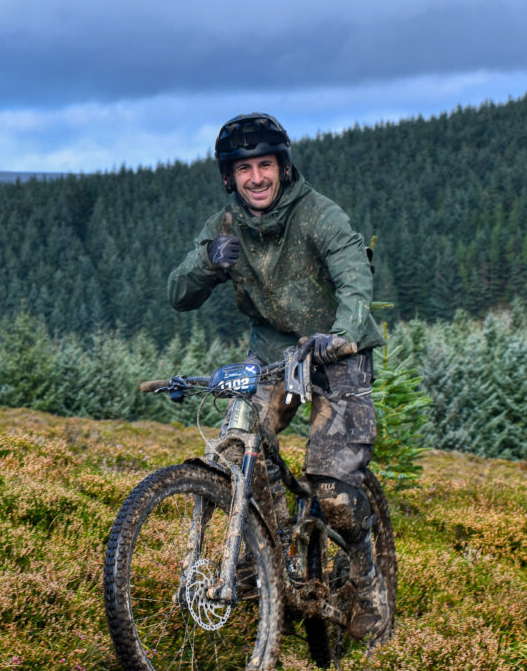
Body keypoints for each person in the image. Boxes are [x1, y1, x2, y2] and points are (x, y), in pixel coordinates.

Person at [167, 112, 389, 640]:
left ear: (283, 168)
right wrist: (208, 265)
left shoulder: (319, 216)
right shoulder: (226, 227)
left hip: (336, 353)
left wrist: (342, 333)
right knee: (237, 451)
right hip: (270, 354)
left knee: (333, 492)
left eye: (265, 165)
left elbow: (355, 281)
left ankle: (367, 579)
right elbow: (178, 293)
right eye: (244, 169)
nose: (256, 178)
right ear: (229, 178)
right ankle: (262, 560)